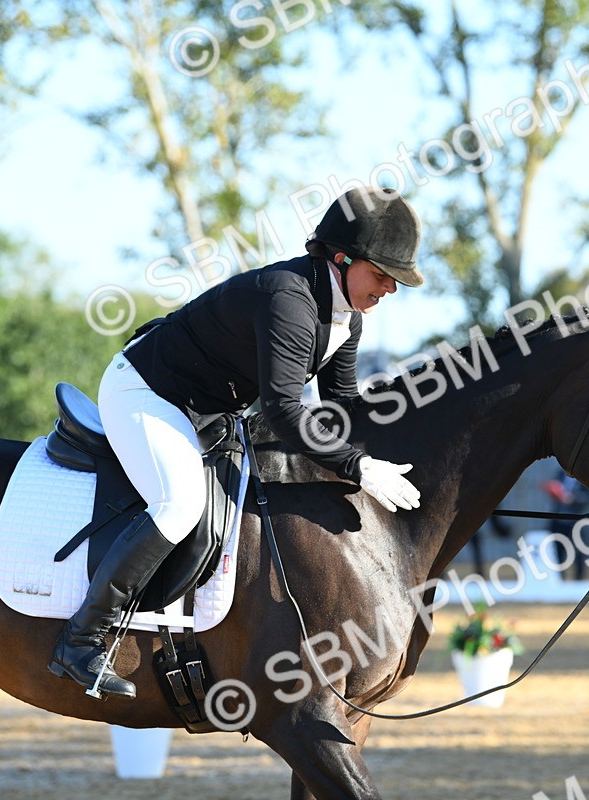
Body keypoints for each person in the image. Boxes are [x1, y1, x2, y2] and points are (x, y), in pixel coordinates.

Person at [48, 186, 425, 699]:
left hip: (206, 409)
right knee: (179, 504)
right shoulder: (289, 297)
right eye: (382, 275)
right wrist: (357, 466)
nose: (389, 289)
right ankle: (83, 638)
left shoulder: (347, 317)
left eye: (396, 281)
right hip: (146, 392)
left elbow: (342, 406)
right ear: (341, 258)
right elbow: (285, 410)